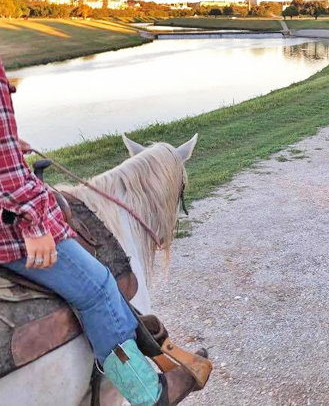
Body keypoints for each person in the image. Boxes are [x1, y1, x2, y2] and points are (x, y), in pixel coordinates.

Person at [0, 57, 198, 405]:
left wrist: (13, 148)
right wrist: (33, 221)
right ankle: (149, 393)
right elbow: (8, 176)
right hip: (8, 227)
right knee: (100, 287)